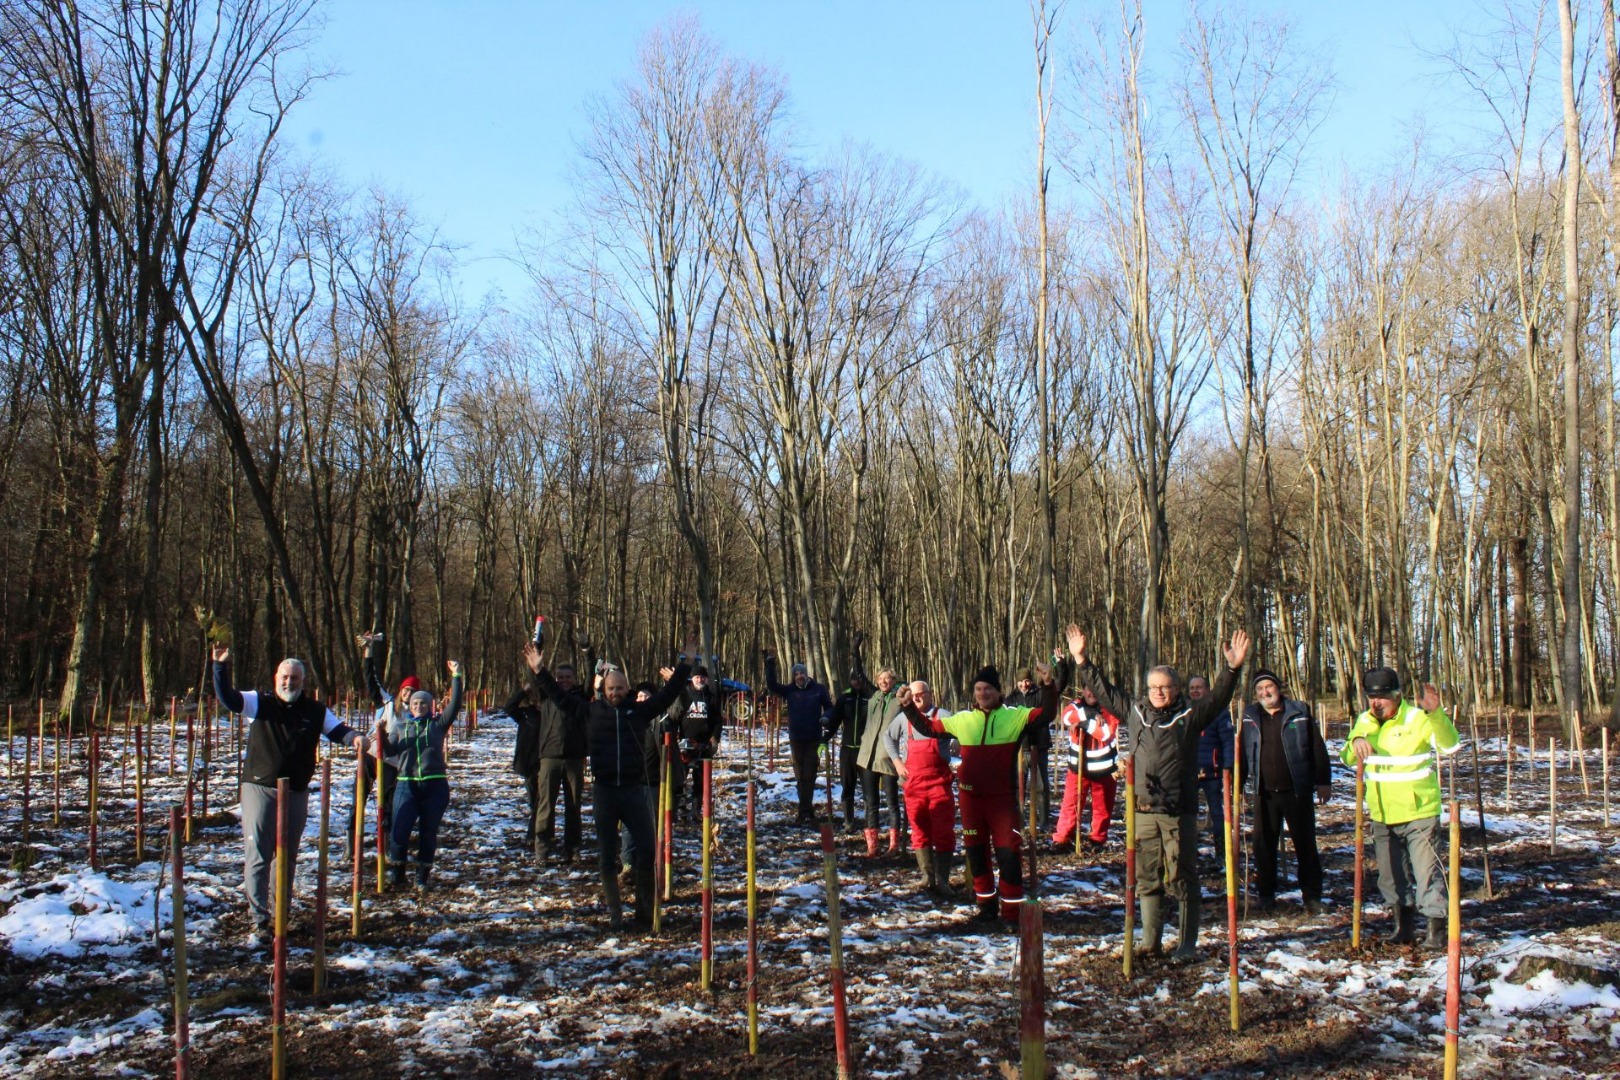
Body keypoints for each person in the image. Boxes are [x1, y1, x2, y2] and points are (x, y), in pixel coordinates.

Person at [1072, 624, 1250, 962]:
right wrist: (1082, 660)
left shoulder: (1191, 715)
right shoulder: (1135, 711)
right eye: (1153, 686)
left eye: (1164, 687)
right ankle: (1150, 941)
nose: (1157, 692)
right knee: (1146, 878)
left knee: (1182, 877)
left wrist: (1231, 669)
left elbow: (1217, 699)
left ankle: (1186, 945)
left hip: (1177, 811)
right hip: (1142, 810)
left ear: (1176, 689)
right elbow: (1104, 690)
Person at [526, 635, 695, 929]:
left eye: (620, 688)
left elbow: (668, 695)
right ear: (603, 690)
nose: (615, 692)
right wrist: (539, 671)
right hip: (605, 792)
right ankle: (615, 912)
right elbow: (558, 697)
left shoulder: (639, 713)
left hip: (633, 792)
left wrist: (686, 664)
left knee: (648, 851)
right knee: (607, 857)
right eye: (611, 688)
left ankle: (644, 911)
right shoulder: (591, 712)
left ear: (627, 689)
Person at [211, 645, 365, 946]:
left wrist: (356, 738)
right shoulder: (260, 702)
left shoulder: (314, 710)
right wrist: (219, 667)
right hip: (260, 787)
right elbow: (229, 699)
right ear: (276, 678)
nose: (289, 682)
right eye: (284, 677)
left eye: (294, 678)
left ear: (302, 681)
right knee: (259, 853)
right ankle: (259, 919)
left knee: (287, 855)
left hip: (296, 791)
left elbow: (337, 731)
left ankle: (281, 912)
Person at [900, 658, 1060, 922]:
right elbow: (928, 727)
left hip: (1002, 801)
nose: (982, 693)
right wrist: (908, 706)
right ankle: (985, 906)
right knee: (976, 853)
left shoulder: (1015, 716)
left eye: (988, 689)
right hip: (970, 799)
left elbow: (1047, 714)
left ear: (998, 691)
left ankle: (1012, 912)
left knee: (1008, 854)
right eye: (978, 689)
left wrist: (1048, 685)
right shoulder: (963, 720)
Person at [1342, 668, 1460, 948]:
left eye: (1382, 697)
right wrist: (1356, 741)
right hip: (1382, 813)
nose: (1376, 703)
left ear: (1397, 695)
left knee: (1427, 873)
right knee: (1391, 875)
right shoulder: (1365, 720)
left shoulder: (1417, 718)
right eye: (1371, 697)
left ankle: (1436, 931)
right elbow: (1347, 756)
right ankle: (1402, 929)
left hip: (1419, 811)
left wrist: (1436, 714)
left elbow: (1450, 746)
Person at [1240, 668, 1331, 916]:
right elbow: (1243, 753)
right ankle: (1266, 894)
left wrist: (1323, 780)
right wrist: (1239, 787)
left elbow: (1316, 746)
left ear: (1278, 688)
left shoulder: (1299, 712)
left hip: (1296, 790)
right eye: (1260, 689)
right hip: (1264, 792)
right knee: (1263, 845)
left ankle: (1312, 897)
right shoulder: (1249, 717)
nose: (1265, 692)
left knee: (1305, 844)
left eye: (1269, 687)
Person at [381, 661, 464, 890]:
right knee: (399, 830)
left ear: (430, 706)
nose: (419, 706)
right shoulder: (400, 727)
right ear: (410, 706)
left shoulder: (438, 725)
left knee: (428, 831)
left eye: (423, 703)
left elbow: (456, 704)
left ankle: (422, 875)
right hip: (406, 785)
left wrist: (456, 676)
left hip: (434, 786)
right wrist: (381, 734)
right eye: (415, 703)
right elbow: (390, 752)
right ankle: (398, 872)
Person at [503, 659, 588, 864]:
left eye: (568, 677)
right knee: (545, 805)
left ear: (575, 679)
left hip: (574, 758)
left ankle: (573, 847)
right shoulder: (547, 695)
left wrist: (588, 653)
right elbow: (534, 680)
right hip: (549, 757)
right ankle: (542, 848)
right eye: (560, 678)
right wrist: (536, 653)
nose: (564, 681)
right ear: (555, 679)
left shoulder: (580, 698)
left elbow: (591, 678)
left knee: (573, 805)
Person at [882, 680, 957, 897]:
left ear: (930, 694)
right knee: (919, 830)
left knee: (943, 831)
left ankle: (943, 880)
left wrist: (958, 749)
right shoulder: (903, 718)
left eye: (920, 694)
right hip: (914, 784)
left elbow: (960, 735)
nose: (916, 698)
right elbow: (888, 737)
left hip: (939, 783)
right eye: (913, 695)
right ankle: (927, 877)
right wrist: (897, 762)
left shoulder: (943, 716)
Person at [763, 652, 834, 824]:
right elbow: (772, 686)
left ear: (807, 674)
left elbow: (829, 707)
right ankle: (806, 811)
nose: (799, 676)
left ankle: (804, 811)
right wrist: (770, 665)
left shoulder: (818, 689)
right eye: (796, 674)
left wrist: (826, 717)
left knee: (810, 774)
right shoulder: (790, 690)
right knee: (800, 775)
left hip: (814, 738)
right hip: (796, 738)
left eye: (802, 673)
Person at [354, 633, 409, 844]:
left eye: (412, 691)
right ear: (400, 690)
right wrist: (368, 652)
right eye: (406, 690)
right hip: (371, 754)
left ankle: (386, 842)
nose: (408, 694)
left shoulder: (414, 713)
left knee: (387, 802)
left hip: (392, 761)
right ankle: (352, 840)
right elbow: (371, 678)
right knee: (359, 796)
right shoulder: (387, 702)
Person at [1053, 685, 1120, 852]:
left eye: (1095, 689)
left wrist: (1082, 723)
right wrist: (1091, 715)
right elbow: (1067, 717)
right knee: (1070, 804)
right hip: (1077, 769)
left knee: (1102, 807)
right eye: (1088, 689)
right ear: (1083, 691)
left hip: (1104, 770)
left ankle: (1097, 840)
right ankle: (1062, 839)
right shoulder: (1075, 705)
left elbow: (1105, 732)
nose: (1091, 693)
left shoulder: (1109, 708)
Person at [668, 664, 726, 819]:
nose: (700, 680)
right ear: (692, 678)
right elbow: (675, 717)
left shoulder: (712, 697)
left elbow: (718, 721)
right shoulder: (684, 695)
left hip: (704, 745)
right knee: (679, 779)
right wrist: (675, 738)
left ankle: (696, 811)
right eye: (697, 677)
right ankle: (678, 810)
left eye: (703, 677)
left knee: (700, 781)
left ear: (707, 679)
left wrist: (715, 738)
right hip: (684, 744)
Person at [1190, 674, 1235, 874]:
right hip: (1189, 772)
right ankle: (1189, 851)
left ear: (1207, 690)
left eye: (1199, 687)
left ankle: (1221, 853)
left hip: (1213, 772)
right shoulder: (1186, 712)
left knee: (1217, 813)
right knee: (1187, 813)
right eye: (1192, 688)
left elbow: (1228, 741)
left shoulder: (1219, 712)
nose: (1195, 691)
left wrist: (1228, 766)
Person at [858, 668, 905, 856]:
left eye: (887, 678)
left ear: (894, 680)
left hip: (889, 757)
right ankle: (873, 846)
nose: (884, 681)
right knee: (871, 802)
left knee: (892, 802)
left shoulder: (900, 699)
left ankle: (894, 845)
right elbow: (860, 677)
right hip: (868, 756)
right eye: (880, 678)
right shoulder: (874, 698)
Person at [826, 660, 873, 830]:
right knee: (847, 786)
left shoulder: (870, 698)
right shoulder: (844, 699)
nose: (856, 682)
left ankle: (870, 823)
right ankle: (848, 822)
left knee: (869, 789)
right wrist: (825, 738)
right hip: (847, 750)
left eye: (859, 678)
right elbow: (835, 721)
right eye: (853, 679)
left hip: (866, 750)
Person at [1006, 667, 1053, 829]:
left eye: (1026, 681)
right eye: (1020, 681)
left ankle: (1043, 823)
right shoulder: (1011, 700)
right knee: (1018, 787)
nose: (1024, 685)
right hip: (1019, 748)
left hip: (1039, 746)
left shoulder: (1040, 695)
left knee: (1041, 787)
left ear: (1031, 681)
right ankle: (1019, 822)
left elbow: (1047, 712)